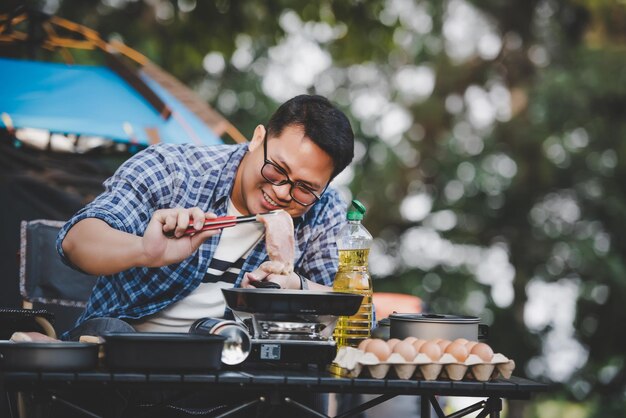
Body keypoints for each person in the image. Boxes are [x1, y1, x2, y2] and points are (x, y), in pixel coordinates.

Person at [57, 94, 354, 338]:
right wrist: (145, 251)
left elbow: (353, 309)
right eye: (277, 169)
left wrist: (294, 287)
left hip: (233, 367)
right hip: (126, 350)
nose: (282, 192)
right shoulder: (174, 170)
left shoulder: (324, 209)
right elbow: (76, 241)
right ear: (257, 139)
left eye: (304, 188)